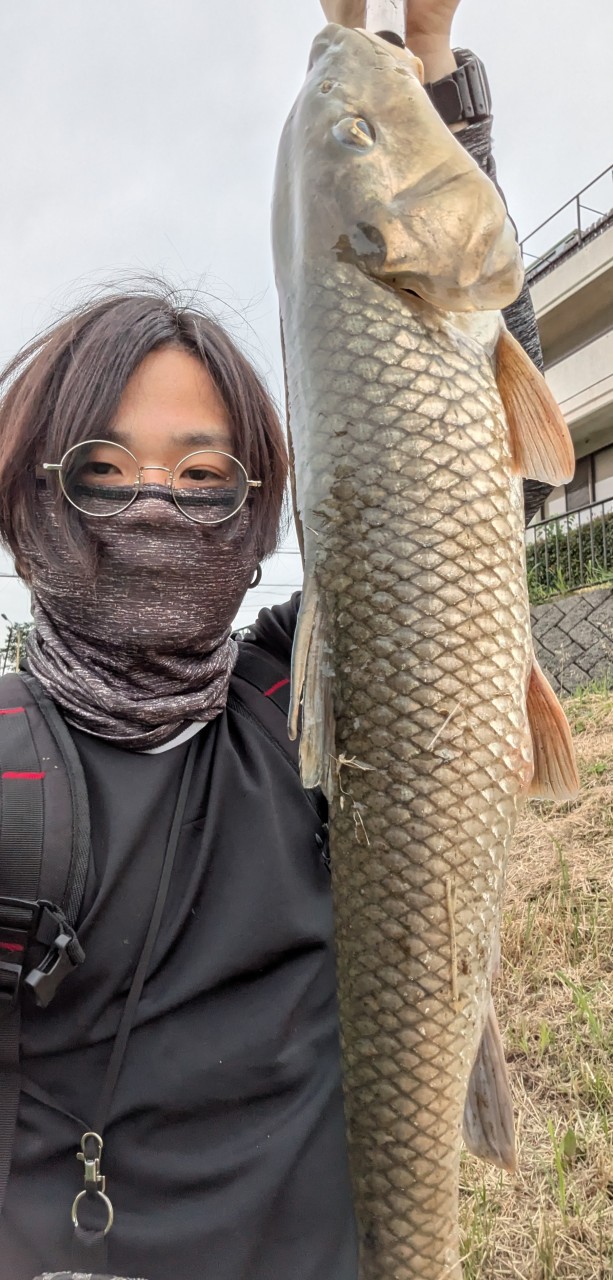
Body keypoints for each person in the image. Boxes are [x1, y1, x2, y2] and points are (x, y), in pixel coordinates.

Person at [0, 3, 547, 1278]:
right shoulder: (13, 773)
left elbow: (454, 513)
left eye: (204, 477)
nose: (156, 505)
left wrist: (428, 77)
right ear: (26, 498)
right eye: (101, 473)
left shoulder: (297, 696)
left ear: (261, 514)